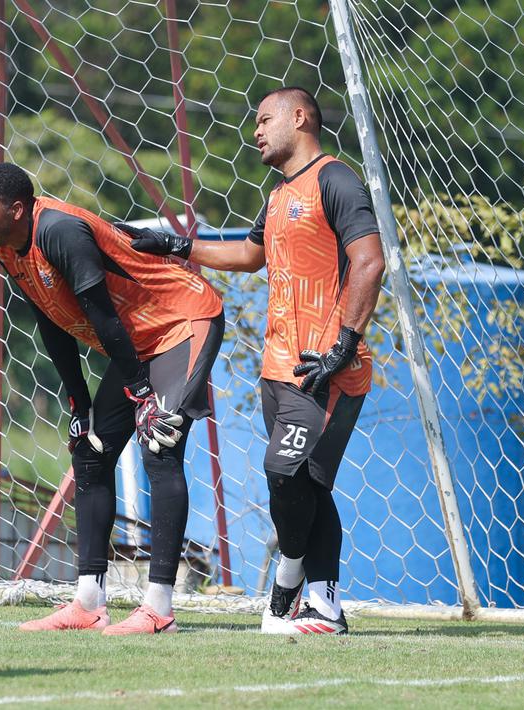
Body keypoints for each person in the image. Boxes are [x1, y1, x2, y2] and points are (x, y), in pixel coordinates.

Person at [122, 86, 385, 635]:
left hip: (323, 370)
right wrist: (174, 246)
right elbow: (249, 254)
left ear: (300, 116)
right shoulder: (278, 195)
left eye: (265, 120)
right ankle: (326, 608)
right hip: (277, 367)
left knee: (283, 471)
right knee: (305, 484)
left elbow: (370, 261)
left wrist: (343, 343)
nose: (256, 132)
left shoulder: (336, 180)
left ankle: (289, 582)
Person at [0, 163, 225, 635]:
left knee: (160, 448)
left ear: (17, 209)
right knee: (89, 454)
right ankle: (88, 602)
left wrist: (142, 394)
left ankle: (160, 609)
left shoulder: (62, 232)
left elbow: (102, 316)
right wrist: (78, 403)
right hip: (137, 345)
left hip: (181, 323)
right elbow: (53, 322)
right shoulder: (6, 249)